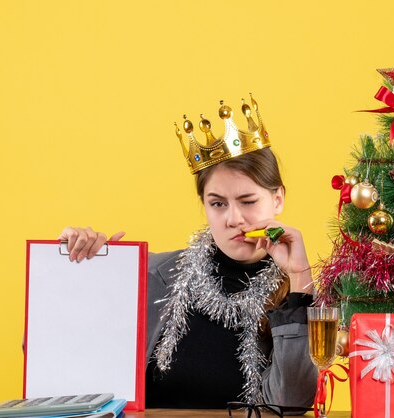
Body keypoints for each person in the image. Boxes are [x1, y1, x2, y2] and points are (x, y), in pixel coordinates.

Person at [58, 96, 317, 412]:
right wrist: (75, 271)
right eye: (218, 203)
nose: (233, 219)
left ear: (277, 200)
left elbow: (291, 405)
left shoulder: (303, 296)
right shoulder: (151, 274)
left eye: (248, 201)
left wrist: (300, 279)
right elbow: (59, 362)